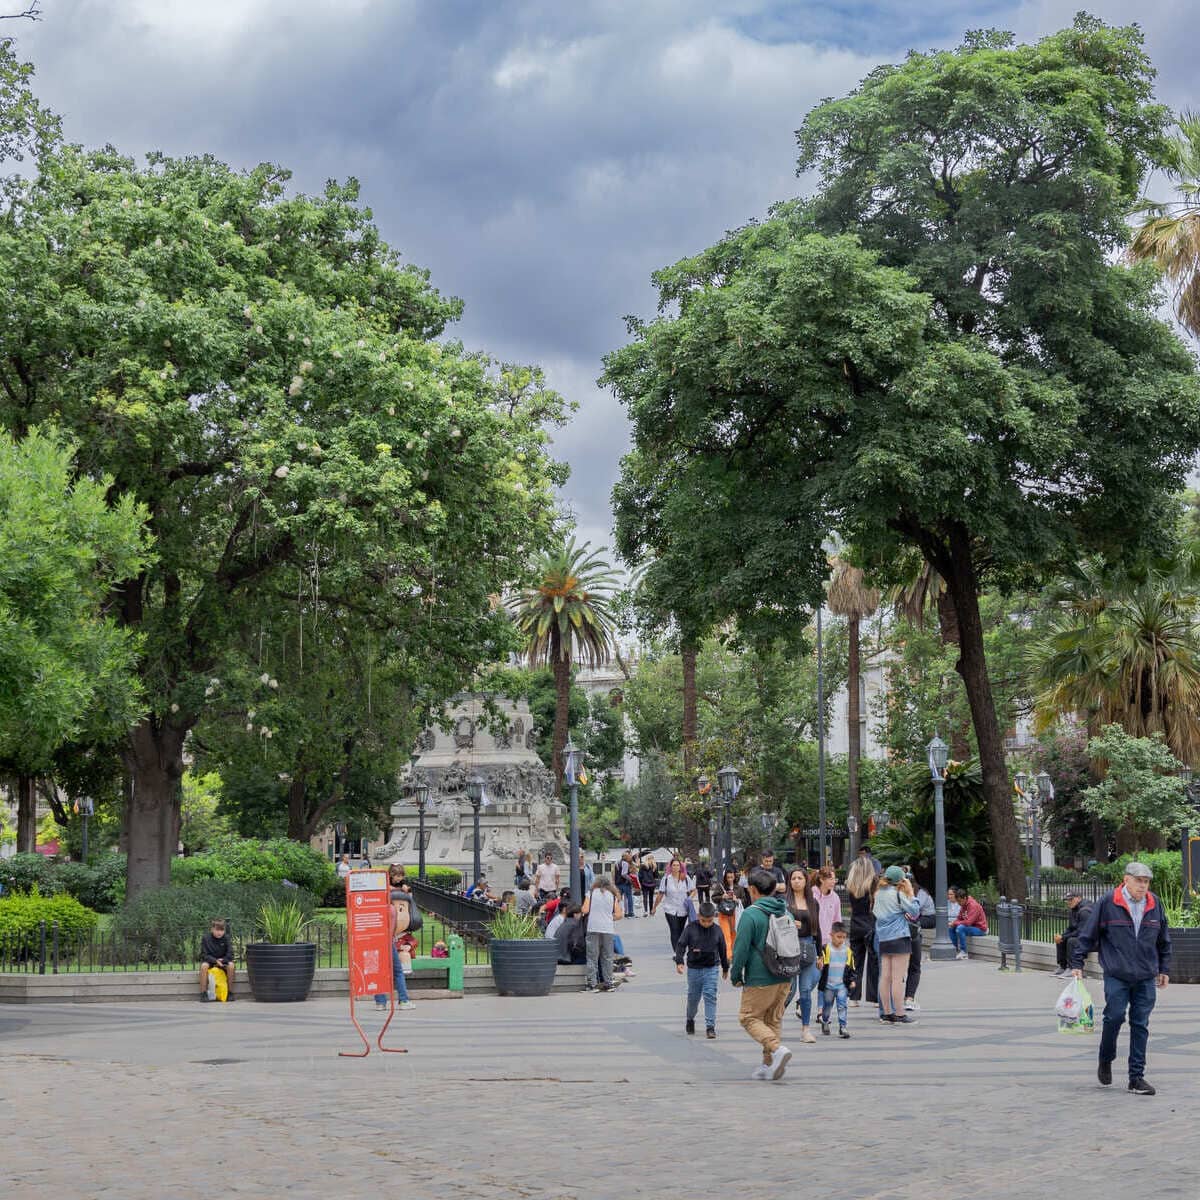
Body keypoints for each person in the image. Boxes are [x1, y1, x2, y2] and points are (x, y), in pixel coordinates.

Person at [1070, 862, 1171, 1095]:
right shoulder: (1108, 902)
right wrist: (1077, 962)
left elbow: (1163, 940)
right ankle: (1105, 1058)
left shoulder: (1154, 904)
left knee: (1140, 1024)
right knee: (1114, 1017)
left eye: (1146, 881)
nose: (1143, 886)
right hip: (1117, 973)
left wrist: (1164, 968)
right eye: (1139, 881)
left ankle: (1136, 1078)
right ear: (1126, 879)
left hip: (1145, 975)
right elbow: (1088, 934)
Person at [730, 866, 793, 1081]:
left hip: (760, 977)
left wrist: (736, 975)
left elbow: (740, 949)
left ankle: (777, 1049)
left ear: (754, 890)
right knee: (773, 1019)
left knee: (748, 1017)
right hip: (785, 975)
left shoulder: (751, 914)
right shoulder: (785, 910)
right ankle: (769, 1066)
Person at [675, 900, 730, 1039]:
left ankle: (710, 1026)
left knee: (710, 996)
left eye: (709, 921)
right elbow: (681, 945)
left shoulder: (717, 930)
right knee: (693, 998)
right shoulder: (690, 929)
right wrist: (679, 961)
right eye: (703, 920)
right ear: (698, 916)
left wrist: (725, 967)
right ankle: (690, 1018)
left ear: (714, 917)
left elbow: (723, 949)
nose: (706, 923)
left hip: (711, 968)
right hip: (694, 969)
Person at [873, 866, 919, 1023]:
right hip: (899, 937)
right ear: (901, 880)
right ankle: (899, 1013)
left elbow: (875, 913)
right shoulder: (899, 895)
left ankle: (886, 1013)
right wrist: (911, 893)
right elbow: (914, 911)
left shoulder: (878, 894)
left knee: (885, 977)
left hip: (884, 938)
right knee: (898, 978)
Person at [781, 867, 821, 1043]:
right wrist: (790, 923)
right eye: (793, 878)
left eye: (800, 878)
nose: (796, 881)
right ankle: (774, 1023)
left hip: (808, 948)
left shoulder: (813, 902)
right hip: (788, 949)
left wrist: (821, 954)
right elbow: (776, 924)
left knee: (805, 990)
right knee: (788, 990)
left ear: (806, 881)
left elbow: (817, 929)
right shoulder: (783, 902)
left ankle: (806, 1029)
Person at [376, 864, 415, 1011]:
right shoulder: (391, 909)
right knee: (397, 970)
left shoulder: (381, 904)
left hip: (379, 938)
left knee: (381, 970)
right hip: (387, 940)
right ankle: (403, 1000)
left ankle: (380, 1001)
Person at [844, 855, 876, 1007]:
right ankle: (875, 997)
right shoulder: (873, 885)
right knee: (873, 962)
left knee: (855, 962)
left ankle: (853, 997)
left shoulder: (851, 886)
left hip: (855, 925)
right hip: (870, 924)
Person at [583, 876, 622, 992]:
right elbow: (619, 915)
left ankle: (592, 984)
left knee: (592, 957)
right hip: (608, 929)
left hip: (593, 928)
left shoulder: (590, 893)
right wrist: (609, 918)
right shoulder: (613, 895)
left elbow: (585, 910)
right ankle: (608, 983)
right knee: (608, 957)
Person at [817, 921, 855, 1038]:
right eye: (838, 937)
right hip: (828, 985)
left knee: (842, 1005)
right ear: (831, 935)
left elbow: (852, 968)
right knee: (827, 1005)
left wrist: (852, 980)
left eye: (844, 937)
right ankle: (825, 1021)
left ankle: (842, 1027)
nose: (841, 940)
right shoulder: (826, 949)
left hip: (841, 985)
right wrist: (819, 963)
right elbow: (820, 963)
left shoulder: (848, 951)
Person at [653, 858, 696, 954]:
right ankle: (676, 952)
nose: (676, 867)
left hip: (683, 909)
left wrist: (690, 898)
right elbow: (660, 894)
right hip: (669, 909)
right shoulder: (666, 879)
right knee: (674, 929)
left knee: (680, 931)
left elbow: (693, 890)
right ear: (670, 867)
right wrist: (654, 907)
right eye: (674, 865)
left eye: (678, 865)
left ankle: (680, 949)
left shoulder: (685, 878)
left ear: (680, 867)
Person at [1052, 892, 1094, 978]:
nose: (1068, 902)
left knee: (1072, 941)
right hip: (1083, 937)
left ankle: (1072, 969)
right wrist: (1061, 936)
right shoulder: (1073, 910)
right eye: (1067, 900)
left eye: (1071, 899)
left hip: (1093, 940)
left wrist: (1064, 937)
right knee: (1061, 940)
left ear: (1079, 898)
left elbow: (1081, 932)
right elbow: (1071, 928)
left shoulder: (1085, 911)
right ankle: (1063, 967)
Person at [199, 918, 235, 1002]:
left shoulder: (226, 938)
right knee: (204, 966)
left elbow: (230, 953)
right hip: (211, 961)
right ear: (212, 929)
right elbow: (204, 955)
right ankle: (203, 993)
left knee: (231, 966)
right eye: (217, 930)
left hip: (223, 961)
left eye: (222, 930)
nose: (219, 932)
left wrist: (222, 961)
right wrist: (215, 961)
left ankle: (230, 993)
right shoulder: (206, 938)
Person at [949, 887, 988, 958]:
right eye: (957, 901)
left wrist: (955, 923)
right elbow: (959, 918)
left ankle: (964, 952)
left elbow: (968, 922)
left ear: (964, 898)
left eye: (960, 901)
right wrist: (953, 923)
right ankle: (953, 949)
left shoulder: (973, 905)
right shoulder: (963, 905)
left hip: (980, 929)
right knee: (951, 928)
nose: (959, 903)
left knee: (960, 928)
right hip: (971, 927)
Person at [811, 866, 841, 946]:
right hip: (812, 940)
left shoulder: (835, 897)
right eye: (831, 879)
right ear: (821, 879)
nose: (833, 882)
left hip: (828, 942)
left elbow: (837, 920)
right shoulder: (811, 895)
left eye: (835, 879)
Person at [712, 884, 741, 959]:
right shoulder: (720, 886)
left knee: (734, 933)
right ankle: (728, 955)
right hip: (723, 913)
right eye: (728, 877)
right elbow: (714, 898)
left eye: (731, 877)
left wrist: (737, 900)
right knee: (726, 934)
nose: (730, 879)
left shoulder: (738, 887)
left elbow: (745, 899)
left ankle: (734, 953)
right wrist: (722, 897)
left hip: (735, 914)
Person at [615, 851, 636, 917]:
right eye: (629, 856)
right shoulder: (625, 863)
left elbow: (615, 873)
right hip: (625, 883)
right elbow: (624, 874)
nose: (630, 857)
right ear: (626, 857)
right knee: (629, 897)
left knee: (618, 898)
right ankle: (630, 912)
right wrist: (630, 879)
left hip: (618, 883)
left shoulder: (617, 862)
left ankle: (616, 911)